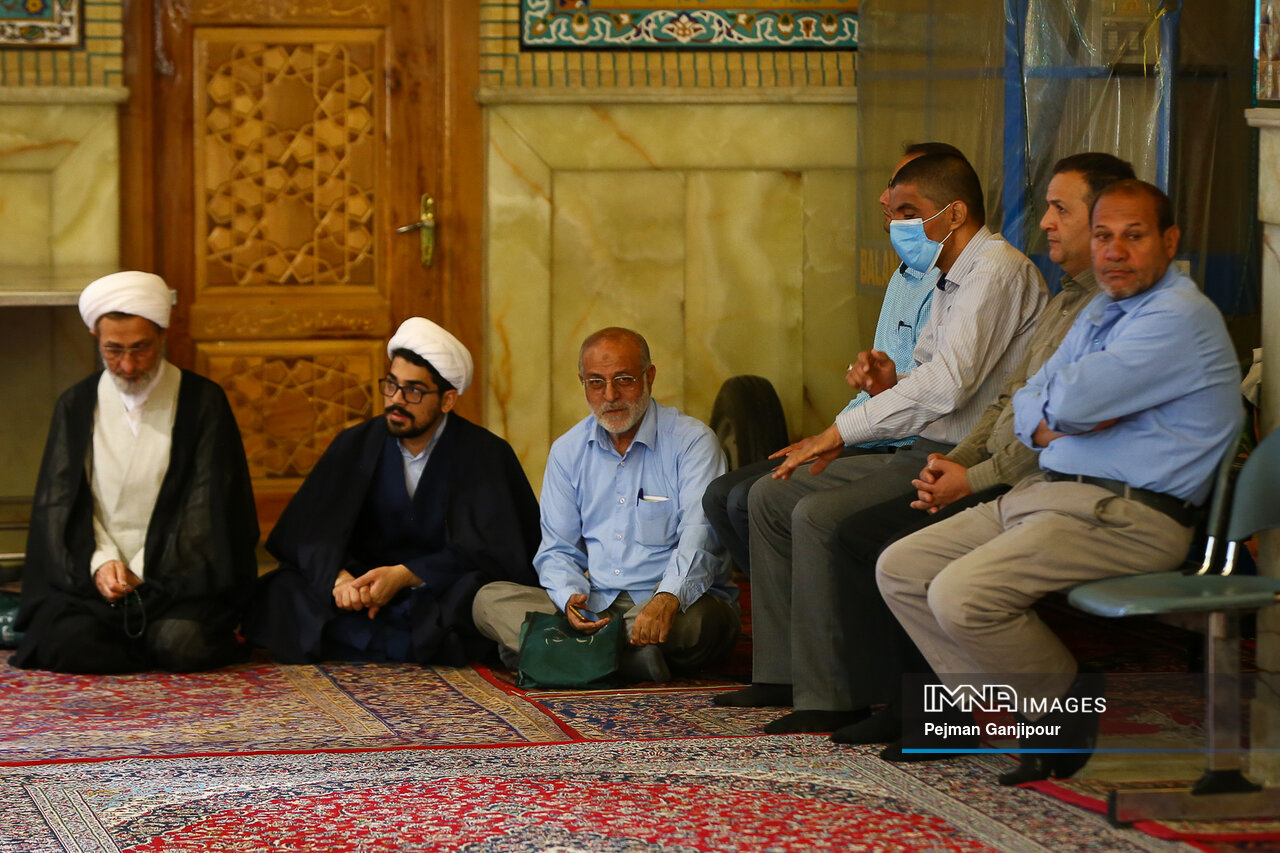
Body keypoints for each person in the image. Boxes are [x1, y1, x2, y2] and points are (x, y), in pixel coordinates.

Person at [876, 179, 1242, 784]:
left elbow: (1065, 403)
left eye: (1133, 236)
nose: (1114, 251)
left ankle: (1065, 707)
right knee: (902, 568)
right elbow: (1031, 401)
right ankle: (1011, 717)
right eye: (1103, 236)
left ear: (1170, 240)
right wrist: (1056, 412)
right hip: (1048, 495)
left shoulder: (1178, 315)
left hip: (1129, 514)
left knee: (962, 594)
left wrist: (1059, 412)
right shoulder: (1100, 308)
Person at [714, 152, 1048, 733]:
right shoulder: (947, 273)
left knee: (823, 517)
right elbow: (928, 378)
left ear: (954, 213)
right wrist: (881, 393)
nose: (897, 226)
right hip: (925, 444)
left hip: (965, 459)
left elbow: (947, 386)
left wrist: (838, 432)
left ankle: (850, 694)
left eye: (910, 212)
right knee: (771, 496)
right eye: (893, 214)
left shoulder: (995, 270)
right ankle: (788, 674)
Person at [823, 153, 1137, 747]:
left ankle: (1043, 707)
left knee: (906, 558)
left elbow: (1047, 424)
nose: (1045, 222)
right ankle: (963, 712)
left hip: (1086, 495)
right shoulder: (1066, 299)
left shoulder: (1113, 308)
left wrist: (970, 476)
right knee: (893, 558)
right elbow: (1010, 403)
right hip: (1016, 475)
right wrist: (961, 463)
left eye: (1060, 209)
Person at [702, 141, 964, 575]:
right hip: (867, 433)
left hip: (902, 444)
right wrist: (831, 430)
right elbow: (884, 385)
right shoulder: (905, 274)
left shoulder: (961, 278)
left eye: (904, 200)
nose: (884, 200)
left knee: (753, 500)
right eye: (891, 189)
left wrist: (837, 434)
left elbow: (929, 393)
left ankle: (807, 604)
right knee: (719, 496)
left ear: (949, 210)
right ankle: (789, 604)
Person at [245, 318, 541, 665]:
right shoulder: (356, 444)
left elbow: (496, 551)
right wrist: (340, 581)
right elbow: (307, 534)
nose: (396, 401)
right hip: (360, 591)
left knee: (478, 597)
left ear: (447, 400)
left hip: (435, 592)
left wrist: (404, 575)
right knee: (281, 589)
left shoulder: (485, 454)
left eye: (414, 391)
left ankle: (367, 643)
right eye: (391, 385)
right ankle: (400, 645)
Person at [14, 271, 258, 673]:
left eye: (140, 349)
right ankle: (132, 637)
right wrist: (101, 563)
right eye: (113, 350)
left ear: (163, 336)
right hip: (96, 581)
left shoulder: (202, 401)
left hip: (176, 577)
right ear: (96, 338)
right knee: (70, 642)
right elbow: (60, 504)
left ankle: (145, 639)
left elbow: (206, 508)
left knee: (180, 644)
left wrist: (142, 571)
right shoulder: (76, 404)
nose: (127, 365)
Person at [472, 327, 739, 683]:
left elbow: (700, 537)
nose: (610, 395)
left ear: (649, 377)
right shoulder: (568, 451)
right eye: (596, 383)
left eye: (624, 380)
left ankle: (554, 654)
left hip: (671, 604)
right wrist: (570, 599)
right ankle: (627, 660)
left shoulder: (692, 442)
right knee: (488, 600)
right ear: (582, 383)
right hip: (597, 605)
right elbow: (557, 549)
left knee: (703, 622)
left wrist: (666, 598)